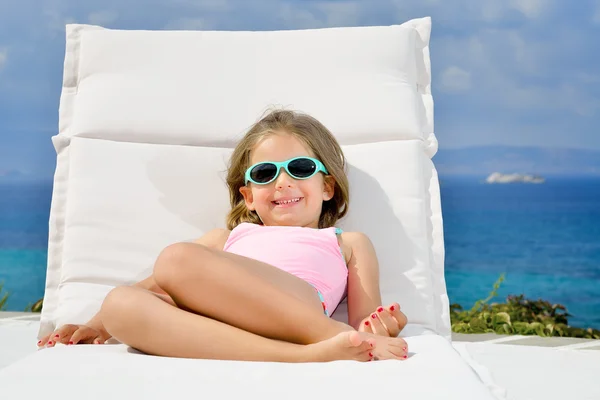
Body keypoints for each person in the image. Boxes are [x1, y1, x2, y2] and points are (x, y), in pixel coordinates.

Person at [37, 109, 409, 362]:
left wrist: (379, 326)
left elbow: (366, 316)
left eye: (299, 168)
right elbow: (152, 288)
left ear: (327, 186)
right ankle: (302, 357)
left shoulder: (346, 242)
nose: (283, 182)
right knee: (121, 301)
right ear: (248, 197)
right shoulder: (226, 239)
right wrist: (95, 325)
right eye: (264, 174)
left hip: (299, 311)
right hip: (221, 327)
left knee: (176, 258)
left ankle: (324, 336)